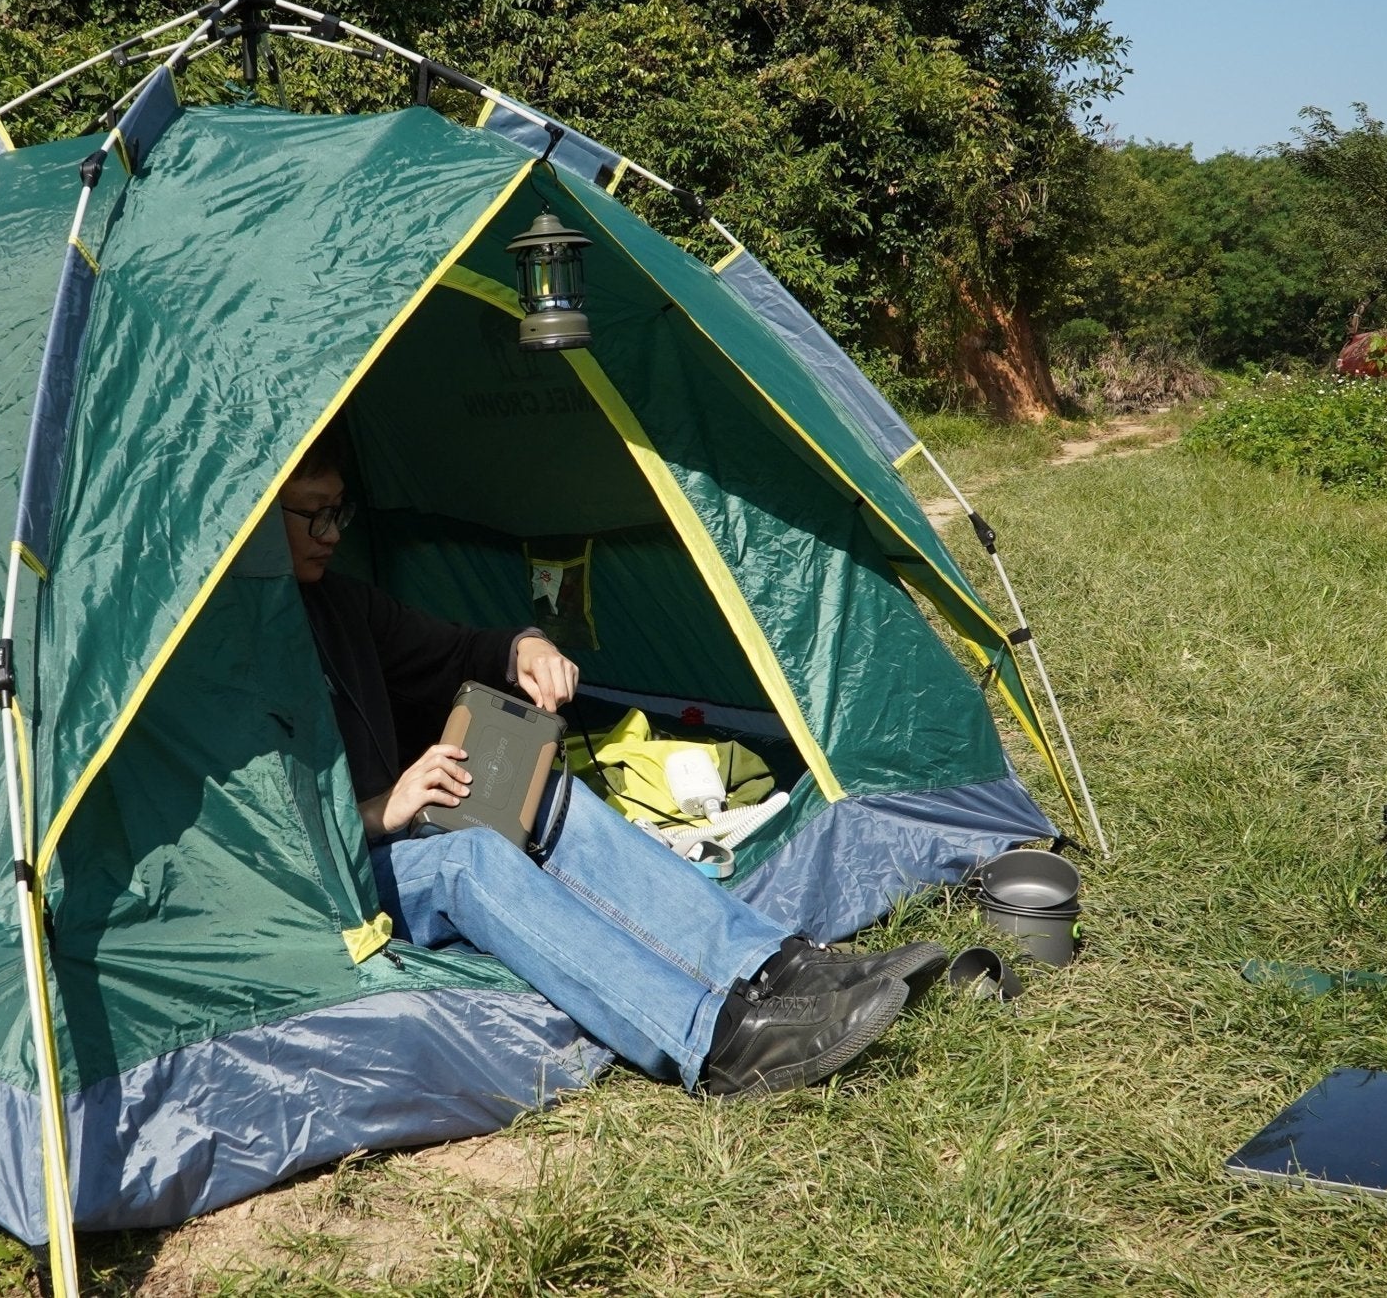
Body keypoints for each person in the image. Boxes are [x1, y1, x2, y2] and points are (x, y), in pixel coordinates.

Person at [282, 429, 946, 1096]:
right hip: (336, 877)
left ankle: (776, 966)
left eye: (340, 510)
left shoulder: (343, 606)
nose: (332, 531)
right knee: (469, 859)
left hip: (401, 824)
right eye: (312, 513)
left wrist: (526, 646)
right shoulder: (222, 652)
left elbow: (461, 651)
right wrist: (376, 810)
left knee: (544, 796)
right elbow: (245, 835)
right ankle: (720, 1037)